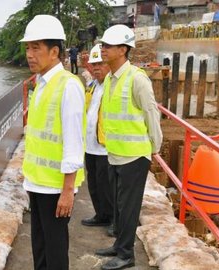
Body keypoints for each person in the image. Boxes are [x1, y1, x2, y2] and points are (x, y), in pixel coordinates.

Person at [20, 14, 86, 270]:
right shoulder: (41, 83)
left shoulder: (68, 86)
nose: (29, 54)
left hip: (55, 187)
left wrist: (68, 191)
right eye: (27, 47)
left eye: (36, 47)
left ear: (54, 51)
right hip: (37, 182)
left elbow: (73, 143)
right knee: (39, 244)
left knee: (55, 248)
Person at [94, 24, 162, 270]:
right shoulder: (111, 78)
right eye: (103, 45)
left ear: (123, 49)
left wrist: (155, 145)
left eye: (108, 46)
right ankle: (119, 245)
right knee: (118, 206)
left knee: (128, 207)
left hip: (134, 156)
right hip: (114, 154)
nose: (103, 49)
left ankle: (126, 255)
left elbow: (150, 112)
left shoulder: (136, 78)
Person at [80, 44, 113, 230]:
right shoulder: (92, 86)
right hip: (90, 145)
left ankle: (112, 219)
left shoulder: (112, 86)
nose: (96, 68)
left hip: (105, 146)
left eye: (101, 63)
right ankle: (100, 214)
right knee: (93, 183)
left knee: (107, 186)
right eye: (94, 64)